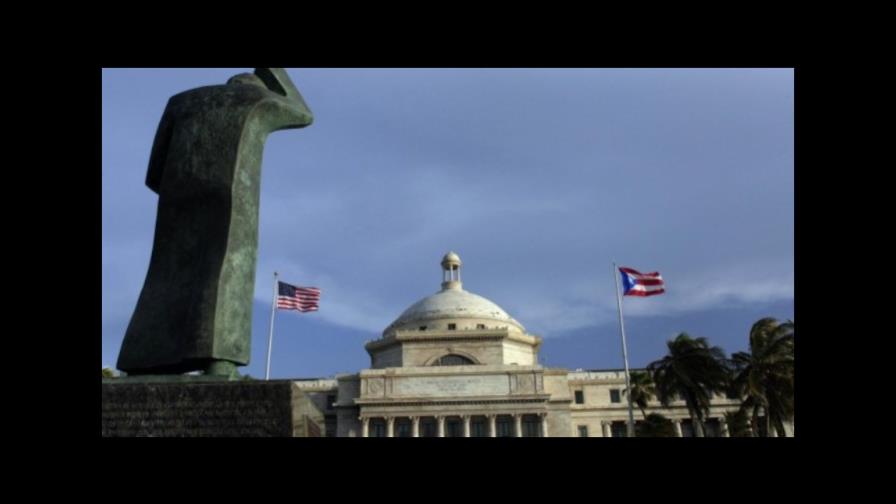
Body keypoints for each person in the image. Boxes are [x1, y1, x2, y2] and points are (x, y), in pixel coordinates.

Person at [117, 68, 313, 378]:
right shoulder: (256, 100)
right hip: (232, 194)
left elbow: (154, 172)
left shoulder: (180, 102)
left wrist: (180, 192)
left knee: (165, 273)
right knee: (226, 270)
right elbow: (304, 113)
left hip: (176, 198)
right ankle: (219, 359)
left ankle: (145, 359)